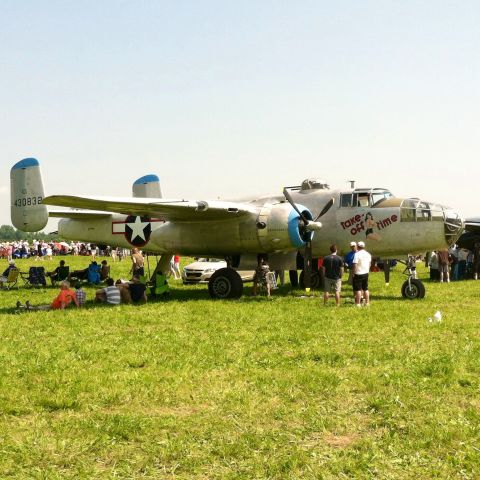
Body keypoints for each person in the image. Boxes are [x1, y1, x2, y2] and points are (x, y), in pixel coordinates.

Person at [352, 241, 372, 307]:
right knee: (365, 288)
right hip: (366, 273)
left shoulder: (357, 254)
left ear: (358, 246)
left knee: (358, 289)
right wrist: (367, 270)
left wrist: (353, 272)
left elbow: (355, 264)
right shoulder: (368, 254)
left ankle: (358, 303)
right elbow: (369, 264)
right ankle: (367, 302)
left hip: (358, 273)